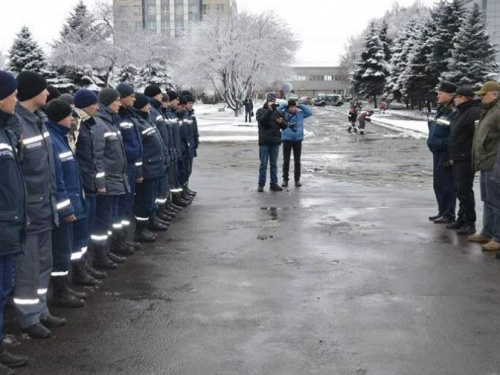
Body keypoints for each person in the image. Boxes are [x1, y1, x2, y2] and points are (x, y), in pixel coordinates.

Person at [13, 71, 66, 339]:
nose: (48, 94)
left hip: (46, 208)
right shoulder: (16, 124)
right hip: (29, 213)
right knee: (29, 268)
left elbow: (49, 169)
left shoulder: (40, 121)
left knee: (44, 263)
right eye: (44, 90)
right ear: (33, 92)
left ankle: (41, 309)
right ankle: (28, 317)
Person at [0, 70, 29, 374]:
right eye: (13, 94)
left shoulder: (6, 129)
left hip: (9, 223)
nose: (16, 99)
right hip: (3, 224)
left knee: (4, 286)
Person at [46, 99, 87, 308]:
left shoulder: (59, 137)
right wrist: (66, 208)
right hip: (63, 208)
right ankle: (60, 293)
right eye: (69, 115)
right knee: (61, 252)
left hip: (71, 202)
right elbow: (56, 180)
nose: (72, 119)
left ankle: (65, 287)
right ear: (60, 117)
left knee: (66, 249)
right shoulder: (53, 141)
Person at [92, 88, 129, 270]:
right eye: (116, 101)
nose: (119, 104)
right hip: (107, 183)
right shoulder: (100, 124)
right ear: (107, 102)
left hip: (116, 179)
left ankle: (107, 251)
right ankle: (100, 255)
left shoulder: (111, 122)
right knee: (103, 222)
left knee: (111, 219)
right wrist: (100, 183)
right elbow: (97, 157)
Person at [73, 89, 107, 286]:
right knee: (81, 231)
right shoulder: (76, 124)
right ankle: (79, 270)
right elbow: (73, 155)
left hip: (90, 182)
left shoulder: (88, 124)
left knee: (88, 229)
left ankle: (85, 265)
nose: (97, 107)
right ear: (85, 104)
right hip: (83, 185)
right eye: (94, 103)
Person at [468, 81, 500, 251]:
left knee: (497, 202)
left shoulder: (497, 112)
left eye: (484, 94)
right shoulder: (488, 111)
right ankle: (487, 232)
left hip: (496, 162)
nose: (481, 97)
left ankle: (498, 237)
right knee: (487, 200)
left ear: (495, 95)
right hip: (486, 162)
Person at [132, 93, 168, 242]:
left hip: (154, 167)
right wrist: (139, 172)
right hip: (147, 168)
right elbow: (138, 151)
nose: (149, 106)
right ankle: (140, 230)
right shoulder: (139, 122)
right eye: (146, 104)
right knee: (144, 202)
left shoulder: (145, 120)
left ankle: (149, 223)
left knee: (150, 199)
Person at [446, 87, 480, 235]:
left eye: (457, 97)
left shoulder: (473, 112)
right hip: (458, 156)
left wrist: (467, 152)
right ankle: (462, 218)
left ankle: (469, 222)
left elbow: (475, 135)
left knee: (465, 190)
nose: (455, 99)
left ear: (465, 98)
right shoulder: (461, 112)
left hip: (465, 157)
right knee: (459, 189)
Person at [115, 83, 144, 254]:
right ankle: (120, 241)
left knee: (128, 205)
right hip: (123, 167)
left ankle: (125, 239)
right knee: (122, 207)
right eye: (131, 95)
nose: (134, 98)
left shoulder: (130, 115)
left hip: (131, 165)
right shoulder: (118, 117)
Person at [427, 81, 458, 225]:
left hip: (446, 153)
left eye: (441, 93)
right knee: (438, 183)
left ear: (450, 95)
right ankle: (442, 210)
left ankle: (449, 213)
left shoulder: (453, 112)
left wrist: (439, 144)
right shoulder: (441, 110)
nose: (437, 95)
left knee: (447, 184)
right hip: (437, 152)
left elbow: (455, 136)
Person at [256, 92, 287, 192]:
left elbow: (285, 126)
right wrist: (269, 110)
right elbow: (262, 122)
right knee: (263, 164)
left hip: (275, 142)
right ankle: (261, 184)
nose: (272, 102)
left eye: (273, 101)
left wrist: (281, 122)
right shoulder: (260, 111)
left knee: (274, 164)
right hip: (264, 142)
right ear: (267, 101)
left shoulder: (278, 112)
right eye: (270, 100)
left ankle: (273, 184)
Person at [279, 99, 312, 187]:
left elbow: (309, 113)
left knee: (297, 161)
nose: (293, 109)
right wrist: (284, 105)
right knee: (286, 161)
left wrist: (300, 105)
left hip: (298, 140)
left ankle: (297, 179)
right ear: (288, 107)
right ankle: (285, 179)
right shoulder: (284, 113)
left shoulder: (300, 113)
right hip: (287, 139)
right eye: (291, 107)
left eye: (294, 107)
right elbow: (277, 110)